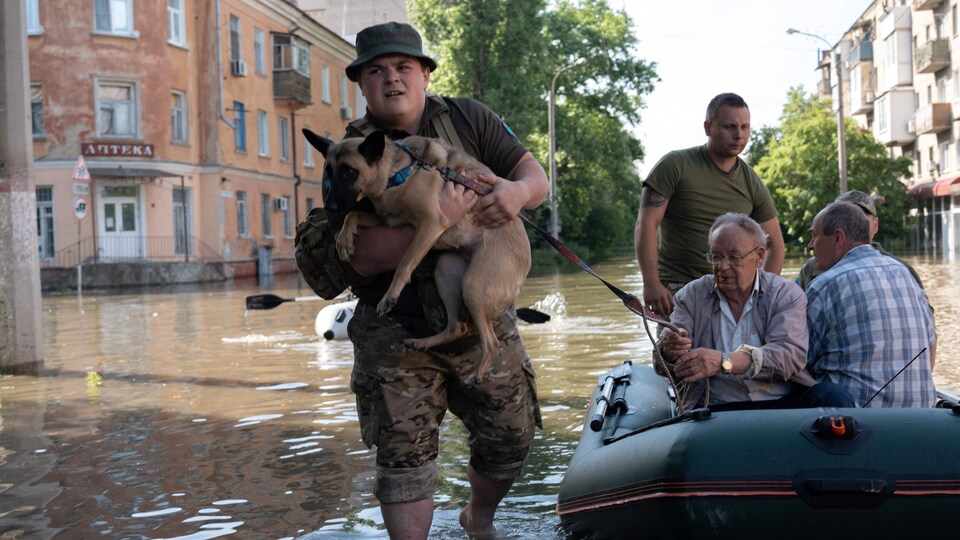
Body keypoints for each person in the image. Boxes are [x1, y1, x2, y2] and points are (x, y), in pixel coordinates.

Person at [298, 22, 549, 539]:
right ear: (362, 84)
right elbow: (333, 259)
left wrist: (516, 195)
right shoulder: (346, 153)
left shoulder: (469, 118)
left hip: (482, 320)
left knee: (510, 441)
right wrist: (440, 224)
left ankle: (477, 518)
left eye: (403, 67)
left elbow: (534, 177)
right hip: (396, 334)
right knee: (404, 464)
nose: (391, 79)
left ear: (425, 74)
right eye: (377, 71)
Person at [658, 213, 852, 411]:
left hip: (781, 404)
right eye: (716, 257)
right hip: (715, 408)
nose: (722, 267)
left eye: (734, 258)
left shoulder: (785, 294)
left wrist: (725, 361)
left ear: (759, 256)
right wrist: (669, 350)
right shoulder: (691, 295)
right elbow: (663, 362)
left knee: (833, 397)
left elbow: (788, 356)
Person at [635, 93, 785, 318]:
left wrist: (761, 293)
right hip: (679, 289)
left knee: (733, 354)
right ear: (708, 127)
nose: (739, 135)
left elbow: (775, 244)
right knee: (678, 352)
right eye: (730, 127)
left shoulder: (751, 181)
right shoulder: (675, 165)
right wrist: (651, 284)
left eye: (745, 127)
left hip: (732, 293)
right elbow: (646, 224)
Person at [806, 202, 937, 407]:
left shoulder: (824, 285)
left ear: (838, 238)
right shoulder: (905, 273)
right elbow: (931, 341)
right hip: (921, 419)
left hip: (857, 427)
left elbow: (797, 360)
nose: (810, 245)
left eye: (814, 236)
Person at [796, 189, 926, 292]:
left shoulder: (902, 269)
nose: (853, 222)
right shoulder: (811, 269)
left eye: (861, 216)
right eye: (845, 216)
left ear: (875, 225)